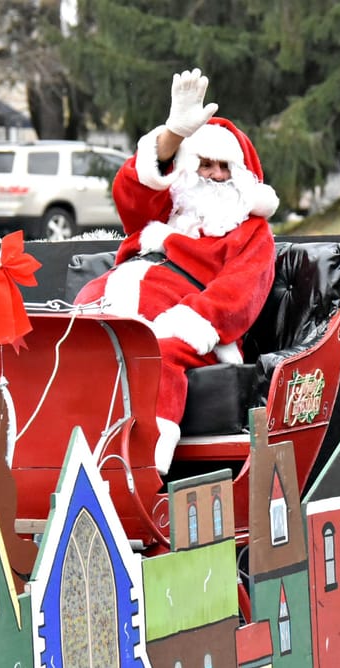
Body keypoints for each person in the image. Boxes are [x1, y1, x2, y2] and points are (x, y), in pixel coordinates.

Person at [74, 68, 279, 474]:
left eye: (226, 167)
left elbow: (236, 298)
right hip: (111, 304)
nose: (216, 176)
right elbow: (131, 192)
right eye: (205, 164)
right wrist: (172, 134)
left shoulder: (251, 232)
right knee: (65, 344)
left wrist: (177, 323)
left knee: (155, 352)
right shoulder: (173, 206)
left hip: (183, 325)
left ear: (242, 178)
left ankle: (141, 472)